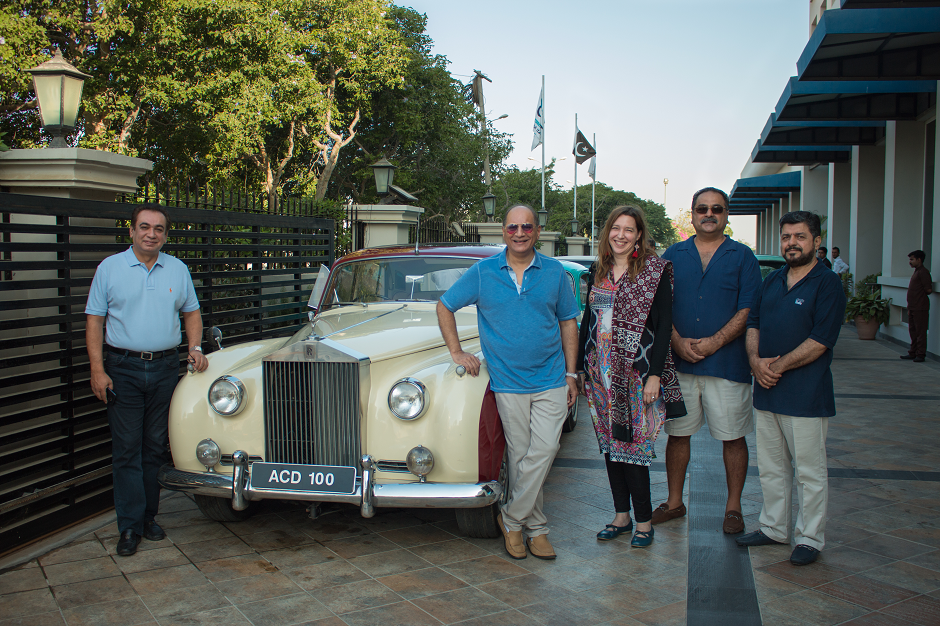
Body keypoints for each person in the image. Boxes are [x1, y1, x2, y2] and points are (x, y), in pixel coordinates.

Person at [438, 204, 579, 560]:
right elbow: (445, 306)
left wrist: (572, 374)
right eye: (513, 227)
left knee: (545, 450)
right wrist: (456, 352)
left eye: (526, 226)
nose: (520, 232)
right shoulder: (484, 272)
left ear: (536, 231)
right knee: (519, 458)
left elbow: (568, 324)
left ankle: (511, 519)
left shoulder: (554, 272)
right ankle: (537, 529)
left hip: (550, 377)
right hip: (508, 380)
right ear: (503, 231)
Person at [86, 204, 209, 556]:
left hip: (165, 369)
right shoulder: (110, 269)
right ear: (132, 231)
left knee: (154, 448)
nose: (151, 233)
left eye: (158, 228)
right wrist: (98, 369)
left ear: (165, 235)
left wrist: (196, 347)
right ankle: (129, 527)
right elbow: (94, 320)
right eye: (144, 227)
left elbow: (192, 312)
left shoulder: (177, 269)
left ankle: (148, 518)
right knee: (127, 450)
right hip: (122, 369)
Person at [737, 211, 846, 566]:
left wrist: (776, 367)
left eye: (800, 237)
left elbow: (820, 340)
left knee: (809, 471)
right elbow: (753, 322)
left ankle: (810, 538)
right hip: (768, 391)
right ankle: (774, 528)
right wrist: (755, 361)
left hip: (806, 394)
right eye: (786, 237)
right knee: (771, 467)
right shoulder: (773, 280)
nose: (791, 243)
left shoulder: (827, 283)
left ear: (816, 241)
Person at [655, 188, 762, 534]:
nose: (709, 213)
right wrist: (675, 341)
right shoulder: (673, 254)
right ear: (693, 213)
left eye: (717, 208)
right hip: (680, 364)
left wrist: (715, 342)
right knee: (678, 435)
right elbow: (659, 305)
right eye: (702, 208)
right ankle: (674, 502)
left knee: (733, 437)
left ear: (726, 214)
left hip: (727, 366)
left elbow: (748, 309)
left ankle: (733, 508)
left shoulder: (743, 257)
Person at [577, 206, 685, 548]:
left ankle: (644, 523)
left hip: (636, 374)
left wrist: (654, 376)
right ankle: (621, 516)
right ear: (608, 232)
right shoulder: (599, 269)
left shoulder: (654, 272)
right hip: (600, 374)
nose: (620, 235)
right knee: (611, 446)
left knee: (633, 447)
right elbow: (587, 321)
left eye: (629, 229)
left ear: (639, 235)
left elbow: (665, 326)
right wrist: (581, 368)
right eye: (615, 228)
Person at [902, 250, 933, 362]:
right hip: (913, 307)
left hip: (920, 308)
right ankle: (913, 352)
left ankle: (920, 354)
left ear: (919, 260)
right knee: (913, 332)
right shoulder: (916, 272)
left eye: (912, 259)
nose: (910, 262)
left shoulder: (923, 272)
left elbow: (928, 289)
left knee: (920, 332)